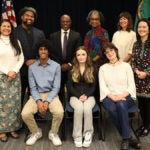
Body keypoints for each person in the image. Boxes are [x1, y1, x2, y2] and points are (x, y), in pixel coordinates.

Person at [21, 40, 64, 146]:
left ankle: (53, 133)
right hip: (36, 95)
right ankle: (36, 132)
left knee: (59, 112)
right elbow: (32, 87)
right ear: (38, 51)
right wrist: (39, 101)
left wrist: (47, 101)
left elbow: (56, 87)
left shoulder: (56, 66)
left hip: (52, 94)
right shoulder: (32, 67)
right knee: (25, 114)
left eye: (45, 49)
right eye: (41, 49)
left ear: (48, 51)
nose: (43, 51)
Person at [99, 43, 141, 150]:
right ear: (105, 55)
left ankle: (125, 139)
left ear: (116, 51)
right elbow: (103, 87)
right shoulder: (103, 68)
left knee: (121, 104)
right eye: (107, 52)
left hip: (126, 96)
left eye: (111, 50)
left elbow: (131, 85)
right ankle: (129, 137)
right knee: (112, 109)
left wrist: (122, 95)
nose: (109, 53)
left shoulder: (126, 66)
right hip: (109, 97)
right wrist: (113, 97)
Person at [14, 7, 45, 107]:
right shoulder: (14, 32)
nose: (29, 18)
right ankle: (19, 117)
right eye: (27, 15)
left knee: (35, 95)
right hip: (20, 69)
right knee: (19, 95)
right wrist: (26, 61)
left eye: (32, 16)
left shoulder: (40, 33)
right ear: (22, 17)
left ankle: (34, 115)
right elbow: (13, 51)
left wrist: (37, 60)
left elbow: (44, 49)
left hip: (36, 69)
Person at [67, 46, 97, 148]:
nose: (81, 57)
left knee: (87, 108)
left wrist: (86, 95)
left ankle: (88, 134)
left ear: (87, 55)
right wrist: (79, 96)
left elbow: (94, 86)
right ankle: (77, 136)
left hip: (90, 96)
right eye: (78, 55)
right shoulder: (71, 68)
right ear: (76, 56)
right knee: (79, 109)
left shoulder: (93, 68)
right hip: (75, 96)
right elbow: (69, 86)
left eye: (83, 54)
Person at [49, 14, 82, 103]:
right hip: (57, 68)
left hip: (72, 68)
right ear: (60, 23)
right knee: (58, 93)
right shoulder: (53, 36)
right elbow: (51, 53)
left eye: (67, 21)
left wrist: (69, 64)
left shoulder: (77, 35)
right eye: (63, 21)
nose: (65, 23)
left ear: (70, 22)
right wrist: (59, 65)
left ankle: (71, 112)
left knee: (72, 92)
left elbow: (78, 53)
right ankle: (61, 113)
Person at [0, 19, 24, 142]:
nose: (6, 28)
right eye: (3, 26)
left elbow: (21, 59)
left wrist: (14, 71)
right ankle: (2, 130)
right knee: (2, 106)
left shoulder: (16, 42)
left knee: (14, 104)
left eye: (8, 26)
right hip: (1, 77)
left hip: (15, 77)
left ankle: (12, 129)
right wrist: (7, 71)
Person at [131, 18, 150, 137]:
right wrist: (137, 71)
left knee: (148, 104)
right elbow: (133, 61)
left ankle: (147, 127)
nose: (141, 29)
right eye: (139, 27)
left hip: (148, 79)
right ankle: (145, 124)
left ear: (149, 29)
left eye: (144, 27)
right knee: (142, 104)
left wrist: (146, 73)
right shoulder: (136, 44)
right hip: (138, 79)